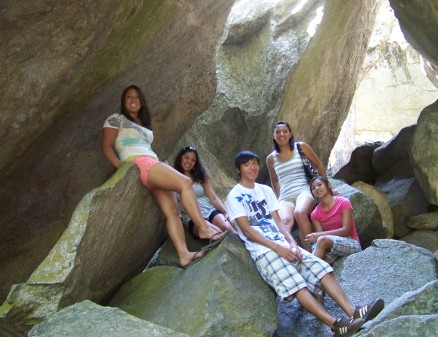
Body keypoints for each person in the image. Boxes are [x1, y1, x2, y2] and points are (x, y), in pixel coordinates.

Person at [226, 151, 384, 337]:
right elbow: (247, 230)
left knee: (321, 268)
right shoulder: (234, 196)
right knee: (296, 285)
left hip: (283, 244)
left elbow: (279, 222)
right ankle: (336, 325)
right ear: (238, 169)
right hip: (264, 251)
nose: (252, 167)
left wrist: (292, 243)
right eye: (246, 164)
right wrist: (279, 248)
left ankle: (353, 312)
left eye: (254, 163)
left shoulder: (265, 191)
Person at [102, 85, 225, 268]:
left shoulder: (143, 124)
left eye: (137, 97)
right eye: (129, 97)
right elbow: (106, 146)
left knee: (172, 212)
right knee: (185, 182)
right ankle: (204, 228)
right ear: (123, 101)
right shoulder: (115, 119)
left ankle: (184, 255)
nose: (133, 100)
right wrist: (121, 169)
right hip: (140, 163)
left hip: (151, 162)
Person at [266, 120, 327, 252]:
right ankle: (288, 252)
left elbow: (318, 166)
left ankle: (311, 253)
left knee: (300, 213)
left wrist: (327, 186)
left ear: (290, 133)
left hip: (303, 189)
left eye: (285, 131)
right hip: (285, 196)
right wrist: (278, 199)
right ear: (273, 136)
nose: (281, 134)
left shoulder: (301, 147)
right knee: (284, 222)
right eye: (278, 132)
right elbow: (275, 181)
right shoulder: (270, 158)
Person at [173, 146, 235, 235]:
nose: (189, 162)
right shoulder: (172, 177)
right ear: (180, 158)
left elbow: (213, 198)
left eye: (193, 160)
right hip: (191, 217)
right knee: (214, 233)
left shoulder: (200, 176)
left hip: (209, 210)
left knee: (227, 227)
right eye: (186, 158)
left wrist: (226, 213)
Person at [306, 176, 362, 264]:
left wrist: (318, 235)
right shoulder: (315, 214)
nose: (316, 188)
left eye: (319, 185)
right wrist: (314, 239)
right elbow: (320, 239)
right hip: (331, 247)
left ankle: (310, 269)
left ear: (328, 185)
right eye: (313, 188)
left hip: (351, 243)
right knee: (321, 264)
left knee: (322, 240)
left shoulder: (343, 202)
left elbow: (346, 230)